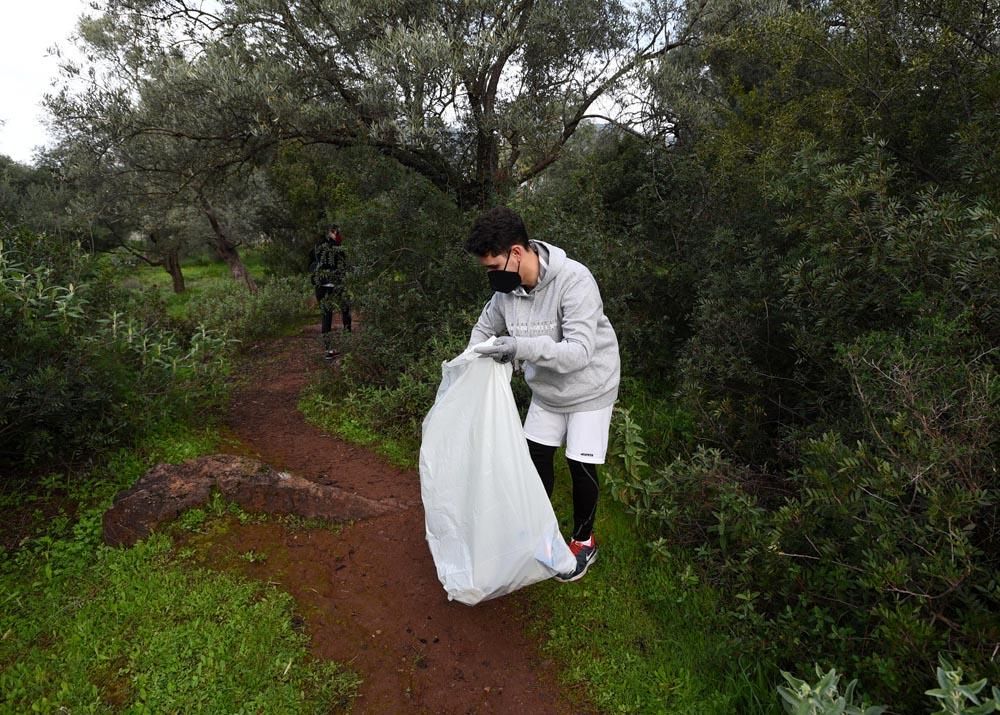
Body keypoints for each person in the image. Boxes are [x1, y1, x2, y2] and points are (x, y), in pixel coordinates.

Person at [465, 206, 620, 582]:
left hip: (590, 388)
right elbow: (485, 327)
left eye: (493, 267)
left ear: (517, 254)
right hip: (547, 392)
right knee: (534, 459)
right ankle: (537, 529)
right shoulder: (508, 291)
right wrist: (469, 360)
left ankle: (584, 541)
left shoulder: (574, 280)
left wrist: (519, 347)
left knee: (580, 465)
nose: (491, 277)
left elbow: (580, 352)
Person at [309, 225, 352, 359]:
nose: (337, 234)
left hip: (323, 286)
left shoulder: (316, 248)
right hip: (331, 285)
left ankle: (331, 349)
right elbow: (343, 266)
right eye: (334, 232)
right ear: (329, 233)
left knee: (330, 315)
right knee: (342, 311)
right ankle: (345, 344)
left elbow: (310, 267)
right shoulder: (335, 248)